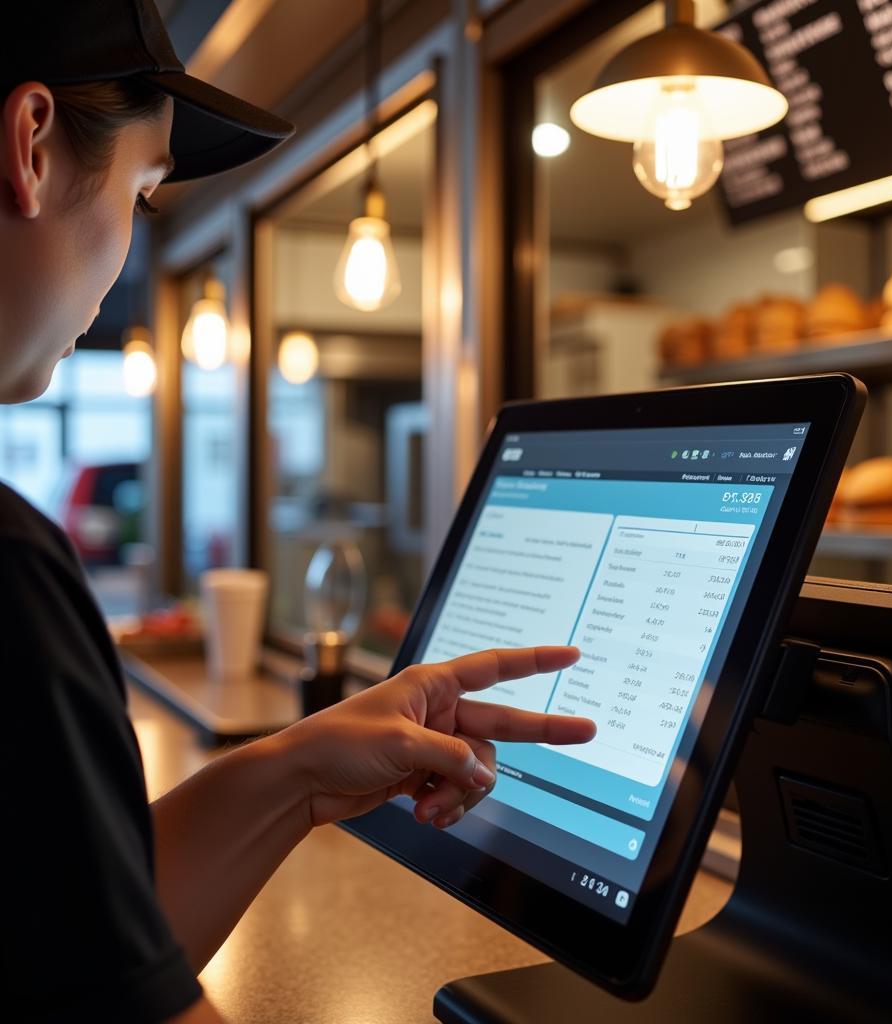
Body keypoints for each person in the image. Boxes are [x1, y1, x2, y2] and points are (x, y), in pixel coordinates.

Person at [0, 3, 597, 1021]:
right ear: (33, 146)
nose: (121, 267)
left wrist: (298, 771)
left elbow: (83, 948)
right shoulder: (9, 572)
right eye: (145, 200)